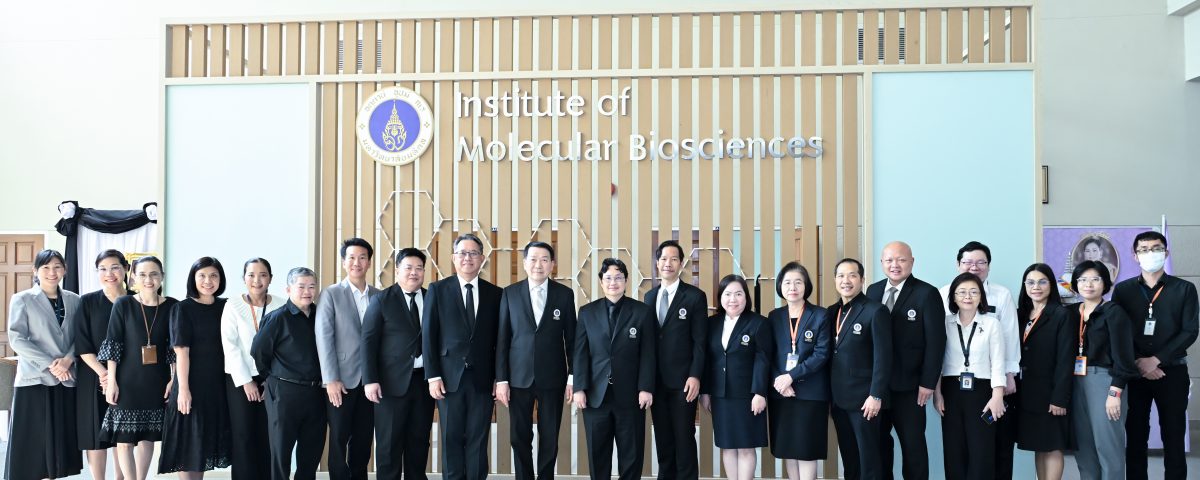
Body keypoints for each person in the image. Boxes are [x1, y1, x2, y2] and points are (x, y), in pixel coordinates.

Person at [1112, 231, 1198, 480]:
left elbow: (1190, 330)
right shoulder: (1123, 290)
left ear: (1166, 253)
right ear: (1135, 256)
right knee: (1135, 435)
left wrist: (1156, 360)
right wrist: (1139, 362)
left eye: (1156, 248)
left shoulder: (1185, 289)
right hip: (1134, 372)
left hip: (1172, 371)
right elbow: (1118, 331)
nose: (1150, 253)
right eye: (1144, 249)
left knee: (1174, 434)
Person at [423, 233, 503, 480]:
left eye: (473, 253)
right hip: (448, 379)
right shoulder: (438, 289)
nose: (468, 258)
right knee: (451, 437)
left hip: (483, 379)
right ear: (453, 258)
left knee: (479, 438)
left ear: (482, 258)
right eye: (462, 253)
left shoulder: (495, 294)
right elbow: (429, 335)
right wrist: (433, 375)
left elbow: (500, 341)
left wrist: (499, 378)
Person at [495, 242, 578, 480]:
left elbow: (572, 340)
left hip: (552, 378)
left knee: (550, 436)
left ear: (552, 264)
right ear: (524, 263)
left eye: (544, 259)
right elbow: (502, 340)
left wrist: (573, 377)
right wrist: (502, 380)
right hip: (518, 378)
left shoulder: (564, 294)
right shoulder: (509, 293)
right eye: (532, 259)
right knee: (518, 436)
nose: (538, 265)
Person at [938, 241, 1020, 479]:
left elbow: (1008, 342)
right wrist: (937, 391)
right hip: (952, 388)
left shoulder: (995, 312)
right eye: (967, 262)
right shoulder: (945, 313)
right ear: (958, 264)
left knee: (983, 449)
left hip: (985, 386)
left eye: (980, 262)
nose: (968, 296)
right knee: (954, 450)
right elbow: (937, 354)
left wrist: (1001, 387)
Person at [866, 241, 945, 480]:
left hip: (911, 387)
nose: (895, 265)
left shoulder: (926, 293)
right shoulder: (872, 291)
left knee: (913, 446)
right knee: (879, 445)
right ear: (882, 263)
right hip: (877, 387)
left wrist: (928, 382)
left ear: (912, 262)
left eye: (901, 260)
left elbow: (936, 342)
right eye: (889, 260)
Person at [572, 258, 656, 480]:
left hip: (631, 395)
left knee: (631, 454)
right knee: (598, 454)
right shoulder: (587, 312)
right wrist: (579, 388)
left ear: (626, 281)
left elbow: (648, 354)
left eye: (618, 278)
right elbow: (580, 353)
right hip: (595, 396)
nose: (613, 282)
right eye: (608, 278)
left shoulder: (642, 312)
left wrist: (646, 387)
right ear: (601, 281)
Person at [5, 249, 83, 480]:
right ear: (35, 271)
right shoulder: (22, 299)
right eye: (46, 267)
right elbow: (17, 338)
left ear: (65, 270)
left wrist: (68, 359)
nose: (52, 272)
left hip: (66, 378)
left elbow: (81, 336)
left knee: (60, 442)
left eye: (57, 266)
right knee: (32, 441)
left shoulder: (75, 299)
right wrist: (51, 364)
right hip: (35, 378)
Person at [99, 255, 178, 480]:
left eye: (154, 274)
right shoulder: (124, 304)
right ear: (133, 277)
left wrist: (174, 379)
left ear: (162, 276)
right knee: (124, 440)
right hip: (127, 381)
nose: (148, 279)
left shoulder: (173, 306)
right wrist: (112, 381)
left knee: (147, 436)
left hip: (157, 381)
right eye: (142, 274)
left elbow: (175, 347)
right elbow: (114, 343)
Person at [362, 248, 435, 480]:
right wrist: (370, 380)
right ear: (397, 271)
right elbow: (368, 342)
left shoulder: (432, 298)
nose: (414, 273)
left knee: (419, 441)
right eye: (408, 268)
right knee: (389, 444)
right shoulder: (381, 300)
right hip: (389, 384)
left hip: (424, 382)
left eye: (419, 268)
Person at [159, 257, 233, 477]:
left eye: (213, 276)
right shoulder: (182, 308)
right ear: (193, 278)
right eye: (202, 276)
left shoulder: (227, 306)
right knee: (188, 447)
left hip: (217, 386)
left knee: (203, 448)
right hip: (191, 385)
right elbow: (182, 352)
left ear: (221, 279)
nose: (208, 281)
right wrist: (183, 389)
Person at [315, 238, 382, 480]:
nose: (357, 262)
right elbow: (324, 337)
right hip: (341, 380)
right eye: (351, 257)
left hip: (370, 381)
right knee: (339, 438)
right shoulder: (331, 294)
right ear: (344, 262)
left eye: (362, 257)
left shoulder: (379, 295)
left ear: (369, 262)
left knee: (364, 438)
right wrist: (330, 379)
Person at [251, 267, 327, 480]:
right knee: (281, 453)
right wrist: (270, 376)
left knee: (311, 454)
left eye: (311, 286)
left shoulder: (321, 315)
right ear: (288, 289)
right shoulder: (278, 318)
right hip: (284, 393)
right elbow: (258, 352)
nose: (307, 292)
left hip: (316, 393)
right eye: (301, 286)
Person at [643, 240, 707, 480]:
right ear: (657, 263)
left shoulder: (694, 297)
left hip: (684, 382)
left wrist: (695, 375)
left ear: (681, 264)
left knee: (684, 437)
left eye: (674, 259)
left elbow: (700, 341)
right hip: (656, 382)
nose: (667, 263)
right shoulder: (649, 296)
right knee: (663, 438)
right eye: (663, 259)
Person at [1068, 260, 1137, 480]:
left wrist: (1115, 392)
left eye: (1095, 279)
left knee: (1108, 448)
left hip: (1104, 382)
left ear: (1105, 283)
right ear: (1075, 283)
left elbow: (1124, 357)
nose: (1088, 284)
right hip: (1074, 381)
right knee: (1083, 447)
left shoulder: (1114, 312)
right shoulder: (1070, 313)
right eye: (1082, 279)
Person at [698, 275, 770, 480]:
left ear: (746, 297)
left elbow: (763, 360)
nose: (733, 299)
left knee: (746, 447)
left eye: (738, 294)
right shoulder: (711, 323)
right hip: (720, 395)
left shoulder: (758, 323)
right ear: (720, 297)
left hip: (748, 396)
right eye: (727, 294)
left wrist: (759, 392)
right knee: (727, 446)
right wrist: (705, 391)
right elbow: (706, 360)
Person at [220, 258, 285, 480]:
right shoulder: (232, 305)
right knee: (243, 435)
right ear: (244, 278)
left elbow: (283, 347)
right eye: (251, 275)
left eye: (263, 275)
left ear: (271, 278)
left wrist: (269, 379)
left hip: (271, 379)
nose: (257, 280)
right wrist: (247, 381)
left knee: (269, 435)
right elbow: (230, 346)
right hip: (240, 380)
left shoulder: (281, 305)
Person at [828, 258, 891, 480]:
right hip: (838, 399)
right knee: (850, 458)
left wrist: (876, 395)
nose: (846, 280)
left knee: (869, 459)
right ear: (835, 280)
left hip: (865, 400)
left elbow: (883, 357)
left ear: (862, 280)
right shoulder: (831, 312)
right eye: (841, 276)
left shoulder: (875, 311)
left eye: (852, 275)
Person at [766, 262, 830, 480]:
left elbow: (821, 354)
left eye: (798, 282)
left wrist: (790, 377)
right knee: (788, 449)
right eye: (787, 283)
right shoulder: (774, 316)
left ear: (806, 286)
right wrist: (780, 381)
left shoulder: (820, 315)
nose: (792, 287)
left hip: (811, 393)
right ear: (780, 286)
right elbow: (768, 354)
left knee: (806, 449)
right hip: (781, 393)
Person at [1014, 264, 1073, 480]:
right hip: (1027, 392)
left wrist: (1059, 398)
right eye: (1030, 282)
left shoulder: (1061, 314)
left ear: (1051, 285)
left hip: (1051, 393)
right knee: (1038, 445)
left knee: (1053, 446)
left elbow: (1066, 360)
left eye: (1042, 282)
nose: (1036, 287)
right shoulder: (1020, 314)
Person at [73, 249, 129, 480]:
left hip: (129, 375)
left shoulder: (136, 299)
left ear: (126, 269)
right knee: (95, 435)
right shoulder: (87, 301)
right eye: (103, 269)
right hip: (93, 376)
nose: (109, 273)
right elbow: (82, 344)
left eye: (115, 267)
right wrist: (105, 375)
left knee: (123, 435)